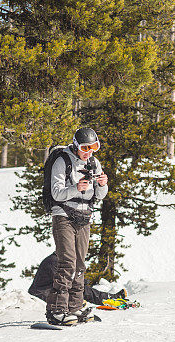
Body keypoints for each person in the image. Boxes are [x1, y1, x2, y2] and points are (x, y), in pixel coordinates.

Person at [45, 127, 108, 326]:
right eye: (85, 148)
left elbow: (99, 195)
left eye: (93, 147)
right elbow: (56, 194)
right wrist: (76, 188)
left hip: (84, 216)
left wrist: (103, 184)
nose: (89, 152)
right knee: (67, 263)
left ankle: (75, 307)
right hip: (63, 215)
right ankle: (57, 310)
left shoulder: (93, 163)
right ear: (75, 145)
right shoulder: (62, 161)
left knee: (80, 264)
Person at [29, 252, 127, 306]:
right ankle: (108, 298)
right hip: (41, 294)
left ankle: (107, 297)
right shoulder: (54, 261)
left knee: (80, 288)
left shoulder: (58, 259)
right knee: (80, 289)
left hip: (47, 292)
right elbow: (65, 282)